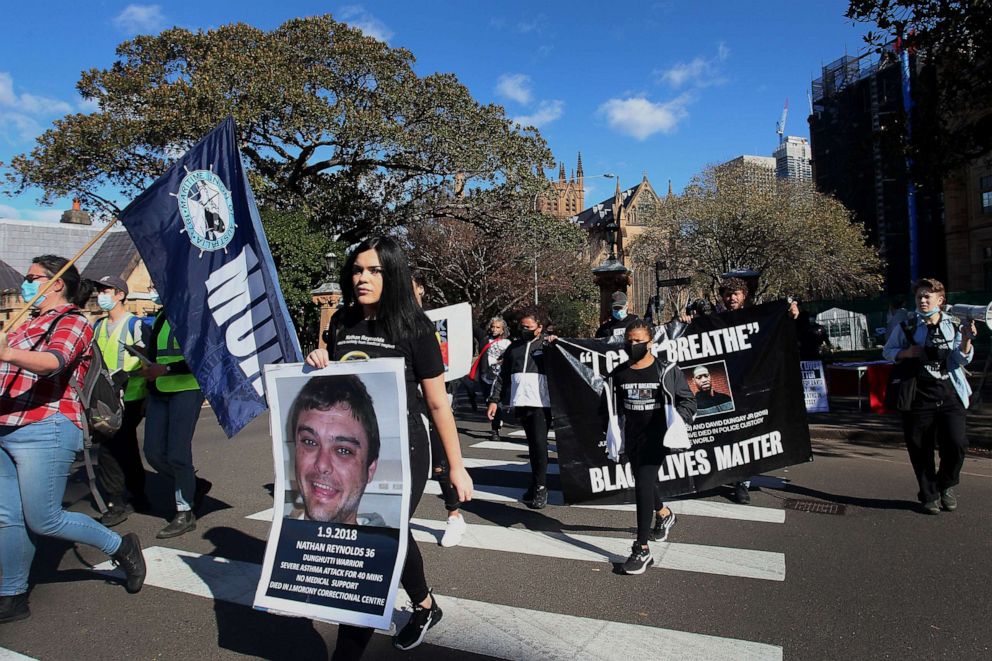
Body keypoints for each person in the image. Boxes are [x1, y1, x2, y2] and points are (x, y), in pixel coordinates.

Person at [306, 236, 473, 656]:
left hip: (404, 447)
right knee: (387, 536)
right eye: (358, 269)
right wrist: (318, 360)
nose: (362, 277)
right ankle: (424, 604)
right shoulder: (342, 321)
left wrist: (456, 466)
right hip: (353, 446)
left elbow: (437, 402)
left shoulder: (415, 327)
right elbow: (333, 383)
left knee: (375, 542)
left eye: (373, 270)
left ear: (392, 274)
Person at [0, 255, 146, 624]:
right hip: (5, 423)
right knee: (8, 518)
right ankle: (12, 594)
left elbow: (54, 361)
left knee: (44, 518)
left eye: (33, 278)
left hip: (45, 426)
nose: (26, 284)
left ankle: (121, 546)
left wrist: (6, 352)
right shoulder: (23, 324)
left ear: (57, 282)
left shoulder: (74, 322)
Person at [883, 278, 976, 515]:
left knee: (956, 444)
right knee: (920, 448)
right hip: (918, 397)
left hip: (950, 394)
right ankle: (929, 494)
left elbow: (962, 359)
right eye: (919, 297)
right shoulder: (909, 324)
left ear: (940, 300)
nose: (923, 301)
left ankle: (946, 484)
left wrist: (966, 338)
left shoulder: (953, 324)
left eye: (928, 297)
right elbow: (888, 351)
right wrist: (907, 352)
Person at [609, 320, 696, 574]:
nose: (633, 345)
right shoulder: (619, 373)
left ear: (651, 343)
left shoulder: (666, 370)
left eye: (638, 341)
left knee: (644, 483)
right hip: (633, 438)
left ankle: (642, 549)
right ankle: (665, 513)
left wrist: (676, 422)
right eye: (629, 340)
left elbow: (688, 401)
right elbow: (611, 407)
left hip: (656, 438)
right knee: (642, 482)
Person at [141, 294, 211, 539]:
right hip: (159, 388)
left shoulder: (196, 315)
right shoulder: (161, 315)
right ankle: (193, 484)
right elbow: (155, 350)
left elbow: (203, 356)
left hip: (186, 388)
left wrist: (168, 368)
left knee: (178, 454)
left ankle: (185, 511)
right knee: (152, 452)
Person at [410, 272, 466, 548]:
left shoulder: (435, 322)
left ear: (421, 288)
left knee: (440, 463)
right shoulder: (394, 324)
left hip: (436, 399)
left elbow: (463, 348)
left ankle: (454, 514)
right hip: (409, 403)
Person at [91, 274, 152, 526]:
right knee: (119, 445)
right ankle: (137, 494)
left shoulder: (135, 325)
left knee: (112, 445)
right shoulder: (97, 326)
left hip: (131, 395)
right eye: (101, 290)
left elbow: (148, 359)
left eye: (107, 290)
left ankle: (119, 500)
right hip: (104, 396)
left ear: (121, 295)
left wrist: (127, 374)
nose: (101, 295)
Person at [288, 375, 383, 525]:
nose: (322, 465)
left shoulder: (394, 548)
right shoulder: (274, 544)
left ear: (370, 469)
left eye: (343, 451)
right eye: (309, 442)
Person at [487, 308, 553, 509]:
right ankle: (535, 484)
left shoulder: (547, 346)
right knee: (533, 446)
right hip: (521, 402)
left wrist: (555, 342)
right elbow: (502, 377)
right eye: (522, 326)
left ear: (539, 328)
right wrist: (494, 399)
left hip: (542, 404)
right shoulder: (514, 348)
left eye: (529, 327)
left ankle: (541, 487)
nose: (524, 330)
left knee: (540, 446)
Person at [476, 316, 511, 443]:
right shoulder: (485, 339)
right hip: (486, 376)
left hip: (500, 377)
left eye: (498, 327)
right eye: (493, 326)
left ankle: (495, 430)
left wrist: (502, 361)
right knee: (488, 401)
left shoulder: (507, 343)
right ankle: (496, 420)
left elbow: (510, 359)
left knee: (497, 402)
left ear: (503, 330)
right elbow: (474, 329)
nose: (494, 329)